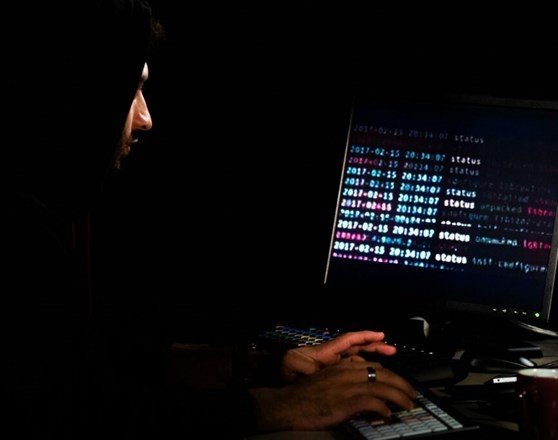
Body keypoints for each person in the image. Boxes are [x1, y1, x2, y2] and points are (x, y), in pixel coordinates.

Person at [3, 1, 415, 437]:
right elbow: (69, 414)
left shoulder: (40, 210)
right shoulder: (19, 230)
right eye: (130, 91)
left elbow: (94, 360)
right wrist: (279, 407)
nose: (145, 119)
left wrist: (267, 366)